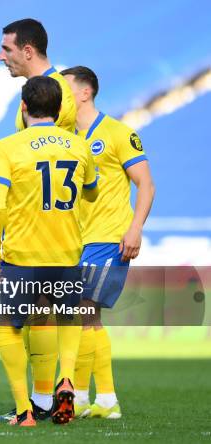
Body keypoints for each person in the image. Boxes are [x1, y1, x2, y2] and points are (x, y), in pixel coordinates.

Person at [0, 18, 78, 422]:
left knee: (16, 320)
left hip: (35, 232)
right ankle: (48, 396)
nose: (0, 56)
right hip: (58, 234)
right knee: (50, 313)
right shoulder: (46, 94)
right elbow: (43, 157)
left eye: (6, 48)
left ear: (28, 50)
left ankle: (37, 400)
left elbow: (39, 157)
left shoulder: (56, 93)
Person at [0, 76, 98, 426]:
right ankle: (67, 377)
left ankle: (24, 412)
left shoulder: (9, 147)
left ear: (23, 107)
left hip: (23, 256)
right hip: (66, 254)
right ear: (61, 108)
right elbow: (92, 191)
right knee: (68, 317)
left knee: (10, 327)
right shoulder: (77, 145)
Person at [61, 66, 155, 419]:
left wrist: (135, 228)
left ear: (84, 93)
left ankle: (97, 398)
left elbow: (146, 184)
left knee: (84, 311)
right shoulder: (64, 136)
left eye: (66, 88)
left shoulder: (118, 132)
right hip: (73, 240)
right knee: (84, 317)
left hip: (107, 237)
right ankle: (94, 399)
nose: (60, 95)